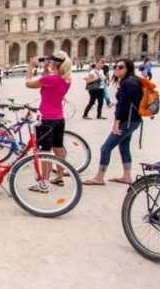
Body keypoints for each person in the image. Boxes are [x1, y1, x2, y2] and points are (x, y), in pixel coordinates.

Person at [83, 58, 143, 186]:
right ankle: (127, 176)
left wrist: (116, 122)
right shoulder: (135, 80)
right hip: (134, 120)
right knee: (124, 146)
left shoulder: (127, 83)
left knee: (106, 148)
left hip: (126, 121)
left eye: (120, 67)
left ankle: (99, 177)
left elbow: (123, 104)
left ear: (129, 68)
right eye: (115, 66)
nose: (116, 69)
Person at [24, 53, 72, 190]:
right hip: (59, 118)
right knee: (58, 148)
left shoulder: (51, 79)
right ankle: (59, 178)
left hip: (46, 119)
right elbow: (48, 80)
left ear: (55, 63)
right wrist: (46, 68)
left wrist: (30, 67)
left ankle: (44, 182)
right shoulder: (66, 79)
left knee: (45, 151)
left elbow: (29, 84)